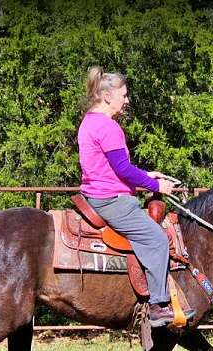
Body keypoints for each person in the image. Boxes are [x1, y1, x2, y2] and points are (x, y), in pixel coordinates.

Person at [77, 66, 195, 327]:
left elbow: (111, 166)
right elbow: (122, 169)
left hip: (95, 194)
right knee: (156, 239)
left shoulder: (89, 121)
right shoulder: (109, 127)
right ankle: (157, 306)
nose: (126, 100)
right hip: (111, 200)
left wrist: (144, 174)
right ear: (108, 96)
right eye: (124, 94)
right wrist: (156, 185)